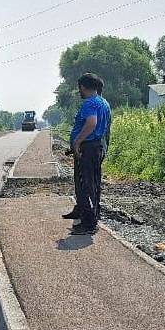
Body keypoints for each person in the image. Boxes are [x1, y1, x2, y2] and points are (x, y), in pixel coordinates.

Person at [62, 72, 111, 235]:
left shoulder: (89, 103)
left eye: (79, 88)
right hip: (95, 147)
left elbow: (91, 123)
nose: (79, 91)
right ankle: (86, 213)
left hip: (88, 148)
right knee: (92, 183)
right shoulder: (103, 103)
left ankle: (89, 224)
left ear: (83, 87)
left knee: (85, 185)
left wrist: (77, 142)